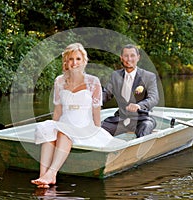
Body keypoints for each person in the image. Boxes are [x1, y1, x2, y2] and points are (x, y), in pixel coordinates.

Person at [31, 43, 126, 188]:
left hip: (83, 126)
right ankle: (43, 175)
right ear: (66, 62)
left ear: (84, 61)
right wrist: (52, 126)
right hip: (64, 122)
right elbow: (58, 110)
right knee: (48, 130)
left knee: (63, 133)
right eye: (70, 59)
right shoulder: (59, 81)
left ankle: (52, 174)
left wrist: (96, 130)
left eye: (78, 59)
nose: (74, 63)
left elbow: (96, 111)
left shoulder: (93, 82)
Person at [102, 44, 159, 138]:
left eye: (132, 55)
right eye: (126, 56)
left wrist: (138, 105)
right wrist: (91, 100)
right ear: (121, 58)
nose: (129, 59)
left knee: (146, 127)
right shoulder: (115, 75)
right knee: (98, 128)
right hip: (120, 118)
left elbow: (154, 98)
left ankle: (140, 152)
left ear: (138, 57)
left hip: (142, 118)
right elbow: (106, 94)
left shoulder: (148, 76)